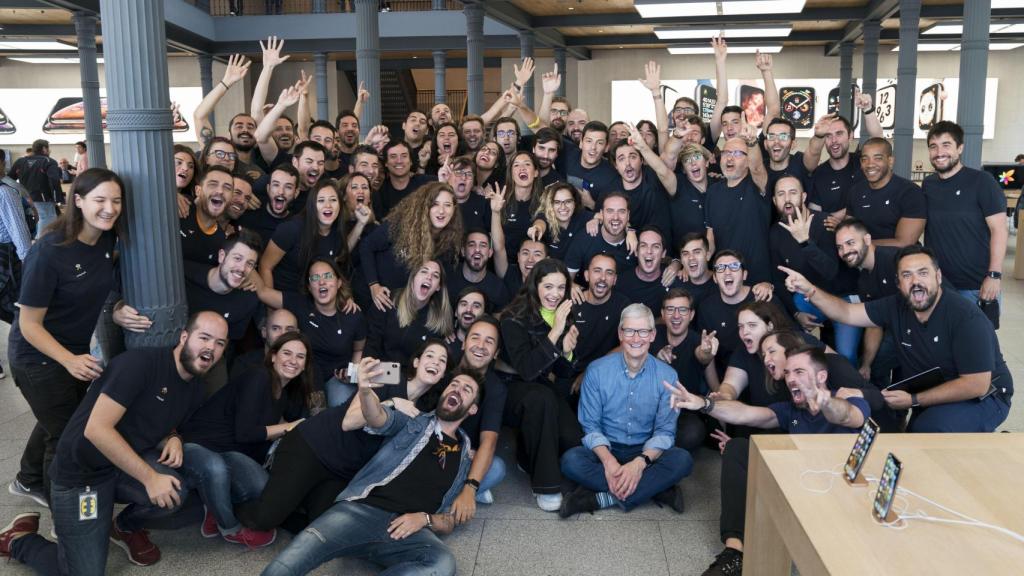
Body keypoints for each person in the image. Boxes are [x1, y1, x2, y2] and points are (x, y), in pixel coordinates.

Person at [0, 312, 230, 573]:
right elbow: (97, 430)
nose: (210, 347)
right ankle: (19, 540)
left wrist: (174, 436)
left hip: (120, 469)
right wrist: (150, 478)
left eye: (220, 343)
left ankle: (123, 527)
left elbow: (159, 415)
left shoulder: (195, 387)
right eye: (204, 337)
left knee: (177, 492)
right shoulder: (139, 365)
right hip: (83, 476)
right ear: (184, 337)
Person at [260, 362, 483, 576]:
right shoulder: (414, 421)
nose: (457, 389)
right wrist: (366, 392)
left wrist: (424, 519)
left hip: (408, 533)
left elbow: (449, 520)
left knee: (443, 563)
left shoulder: (464, 460)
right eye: (454, 384)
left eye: (466, 389)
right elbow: (378, 418)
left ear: (472, 408)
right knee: (291, 560)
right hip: (360, 512)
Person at [667, 344, 869, 576]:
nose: (790, 379)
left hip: (839, 496)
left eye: (799, 372)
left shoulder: (851, 401)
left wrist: (825, 402)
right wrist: (704, 404)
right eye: (788, 373)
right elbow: (745, 414)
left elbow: (846, 416)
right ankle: (735, 554)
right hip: (802, 483)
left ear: (821, 376)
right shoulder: (792, 410)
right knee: (737, 447)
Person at [780, 245, 1013, 432]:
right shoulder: (896, 306)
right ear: (899, 283)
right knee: (906, 437)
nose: (916, 281)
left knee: (931, 431)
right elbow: (847, 312)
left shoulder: (966, 318)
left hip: (985, 397)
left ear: (938, 277)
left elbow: (976, 383)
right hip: (935, 389)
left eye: (923, 273)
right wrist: (809, 290)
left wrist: (914, 400)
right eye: (907, 275)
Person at [236, 342, 450, 533]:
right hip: (313, 446)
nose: (435, 362)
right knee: (264, 519)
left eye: (442, 360)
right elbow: (349, 422)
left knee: (323, 530)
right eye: (430, 355)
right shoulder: (389, 374)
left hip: (341, 472)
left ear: (443, 374)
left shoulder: (424, 411)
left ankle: (290, 498)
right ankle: (236, 491)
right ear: (416, 361)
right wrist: (392, 402)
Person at [7, 168, 124, 508]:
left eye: (116, 201)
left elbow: (100, 286)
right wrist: (69, 359)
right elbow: (29, 324)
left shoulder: (106, 239)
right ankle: (62, 507)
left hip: (72, 353)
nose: (109, 208)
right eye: (100, 200)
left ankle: (27, 480)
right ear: (78, 200)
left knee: (57, 418)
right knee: (67, 434)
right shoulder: (49, 251)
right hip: (37, 357)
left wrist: (115, 308)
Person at [178, 331, 315, 548]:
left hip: (229, 451)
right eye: (287, 353)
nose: (293, 361)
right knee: (216, 468)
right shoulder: (259, 377)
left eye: (300, 357)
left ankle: (212, 500)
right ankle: (230, 528)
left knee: (261, 488)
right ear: (273, 356)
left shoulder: (285, 391)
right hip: (198, 443)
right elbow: (246, 433)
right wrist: (289, 427)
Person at [559, 303, 693, 517]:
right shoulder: (597, 371)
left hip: (644, 449)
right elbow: (591, 426)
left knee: (682, 461)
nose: (636, 338)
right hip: (606, 447)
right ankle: (656, 491)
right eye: (629, 330)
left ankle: (599, 498)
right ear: (621, 333)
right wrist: (609, 461)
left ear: (652, 335)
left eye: (642, 331)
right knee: (571, 462)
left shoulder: (668, 376)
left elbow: (664, 432)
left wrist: (639, 464)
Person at [498, 258, 583, 511]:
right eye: (548, 286)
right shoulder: (512, 317)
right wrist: (556, 332)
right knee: (541, 399)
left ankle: (527, 453)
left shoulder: (563, 314)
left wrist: (567, 351)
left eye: (560, 287)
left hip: (540, 385)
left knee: (573, 441)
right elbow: (526, 369)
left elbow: (562, 371)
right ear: (535, 285)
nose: (555, 294)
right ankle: (545, 485)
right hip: (510, 386)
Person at [422, 316, 508, 515]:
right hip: (425, 445)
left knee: (496, 467)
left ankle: (458, 495)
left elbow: (489, 440)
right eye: (475, 338)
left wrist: (470, 486)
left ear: (496, 353)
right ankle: (449, 499)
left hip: (460, 457)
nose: (480, 346)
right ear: (464, 343)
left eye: (489, 341)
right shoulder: (443, 367)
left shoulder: (496, 388)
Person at [922, 121, 1008, 311]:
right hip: (938, 283)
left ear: (960, 148)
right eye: (933, 146)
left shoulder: (982, 182)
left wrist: (994, 275)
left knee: (979, 340)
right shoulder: (928, 185)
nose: (939, 152)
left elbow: (999, 230)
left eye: (946, 145)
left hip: (975, 286)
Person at [253, 257, 365, 402]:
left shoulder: (353, 315)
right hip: (300, 374)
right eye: (315, 278)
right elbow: (263, 293)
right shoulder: (299, 304)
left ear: (338, 283)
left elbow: (358, 349)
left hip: (336, 377)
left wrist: (352, 375)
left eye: (328, 276)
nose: (322, 282)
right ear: (309, 287)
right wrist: (244, 265)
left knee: (341, 407)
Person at [358, 181, 462, 313]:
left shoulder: (448, 244)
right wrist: (374, 285)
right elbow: (367, 246)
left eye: (447, 205)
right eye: (435, 204)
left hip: (398, 307)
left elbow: (440, 285)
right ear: (426, 206)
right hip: (369, 294)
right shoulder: (402, 224)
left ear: (454, 209)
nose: (441, 211)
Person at [704, 131, 772, 284]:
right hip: (726, 277)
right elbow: (710, 235)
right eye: (726, 152)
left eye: (737, 153)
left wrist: (752, 143)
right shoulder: (713, 192)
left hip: (757, 280)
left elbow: (757, 169)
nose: (729, 157)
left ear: (748, 161)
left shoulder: (756, 185)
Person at [365, 259, 453, 376]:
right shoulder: (388, 301)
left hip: (407, 384)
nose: (429, 277)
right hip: (373, 375)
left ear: (438, 287)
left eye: (435, 276)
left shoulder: (438, 323)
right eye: (424, 272)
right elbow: (371, 346)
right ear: (413, 278)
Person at [695, 250, 774, 379]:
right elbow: (707, 358)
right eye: (720, 268)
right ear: (714, 278)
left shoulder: (763, 298)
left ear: (744, 275)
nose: (727, 272)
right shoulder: (706, 308)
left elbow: (789, 339)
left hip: (768, 377)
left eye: (734, 267)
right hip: (727, 380)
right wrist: (717, 392)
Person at [260, 178, 347, 293]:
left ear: (340, 205)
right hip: (282, 295)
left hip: (313, 298)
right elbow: (265, 266)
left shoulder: (337, 233)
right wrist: (270, 305)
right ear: (312, 206)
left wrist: (345, 296)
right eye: (321, 201)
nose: (328, 205)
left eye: (333, 200)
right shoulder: (291, 229)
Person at [652, 288, 709, 451]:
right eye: (670, 309)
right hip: (651, 407)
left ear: (691, 315)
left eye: (682, 310)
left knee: (693, 432)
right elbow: (626, 351)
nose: (676, 315)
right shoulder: (651, 335)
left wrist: (718, 400)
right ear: (663, 314)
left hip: (683, 410)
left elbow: (705, 360)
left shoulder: (700, 341)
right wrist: (655, 359)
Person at [843, 137, 926, 247]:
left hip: (897, 261)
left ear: (890, 161)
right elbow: (849, 231)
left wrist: (861, 245)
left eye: (877, 158)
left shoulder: (910, 193)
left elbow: (904, 243)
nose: (870, 164)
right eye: (864, 159)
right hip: (862, 261)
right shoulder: (855, 191)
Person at [564, 192, 636, 279]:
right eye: (610, 211)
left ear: (628, 215)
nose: (616, 217)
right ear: (601, 214)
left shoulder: (638, 243)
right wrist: (572, 286)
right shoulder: (584, 238)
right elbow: (567, 279)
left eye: (621, 211)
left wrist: (631, 231)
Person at [0, 149, 32, 337]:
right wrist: (30, 264)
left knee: (18, 312)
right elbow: (18, 230)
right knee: (19, 311)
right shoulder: (5, 192)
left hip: (6, 260)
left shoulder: (5, 191)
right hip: (7, 261)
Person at [616, 226, 682, 314]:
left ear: (663, 253)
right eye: (643, 245)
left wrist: (678, 263)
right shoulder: (620, 283)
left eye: (655, 246)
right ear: (636, 251)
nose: (649, 251)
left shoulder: (675, 281)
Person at [6, 139, 61, 237]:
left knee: (36, 219)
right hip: (43, 198)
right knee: (47, 218)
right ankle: (40, 244)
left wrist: (17, 193)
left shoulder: (20, 161)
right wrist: (58, 198)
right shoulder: (48, 161)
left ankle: (38, 240)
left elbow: (9, 179)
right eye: (48, 148)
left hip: (24, 198)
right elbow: (54, 180)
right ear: (44, 149)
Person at [446, 229, 510, 313]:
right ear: (463, 251)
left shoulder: (498, 288)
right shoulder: (447, 277)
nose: (477, 250)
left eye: (483, 245)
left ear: (490, 253)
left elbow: (497, 323)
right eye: (472, 245)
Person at [236, 164, 300, 247]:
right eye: (276, 185)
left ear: (296, 193)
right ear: (268, 189)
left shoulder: (295, 226)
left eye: (288, 187)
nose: (281, 192)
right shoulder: (249, 208)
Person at [528, 182, 593, 262]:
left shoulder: (581, 216)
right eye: (557, 202)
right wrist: (537, 228)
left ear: (574, 202)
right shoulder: (545, 217)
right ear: (550, 205)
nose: (563, 207)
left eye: (568, 201)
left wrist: (596, 220)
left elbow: (602, 216)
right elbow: (540, 223)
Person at [180, 166, 231, 265]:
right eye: (213, 184)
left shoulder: (221, 241)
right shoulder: (180, 205)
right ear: (198, 191)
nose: (220, 191)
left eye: (227, 187)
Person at [564, 121, 620, 208]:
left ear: (606, 147)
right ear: (581, 143)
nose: (593, 147)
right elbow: (542, 131)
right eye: (589, 141)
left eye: (600, 143)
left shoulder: (612, 176)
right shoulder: (567, 153)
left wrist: (591, 204)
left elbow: (611, 214)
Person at [375, 140, 431, 216]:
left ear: (411, 161)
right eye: (393, 156)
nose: (399, 161)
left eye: (404, 156)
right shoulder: (379, 191)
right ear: (386, 163)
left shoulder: (427, 183)